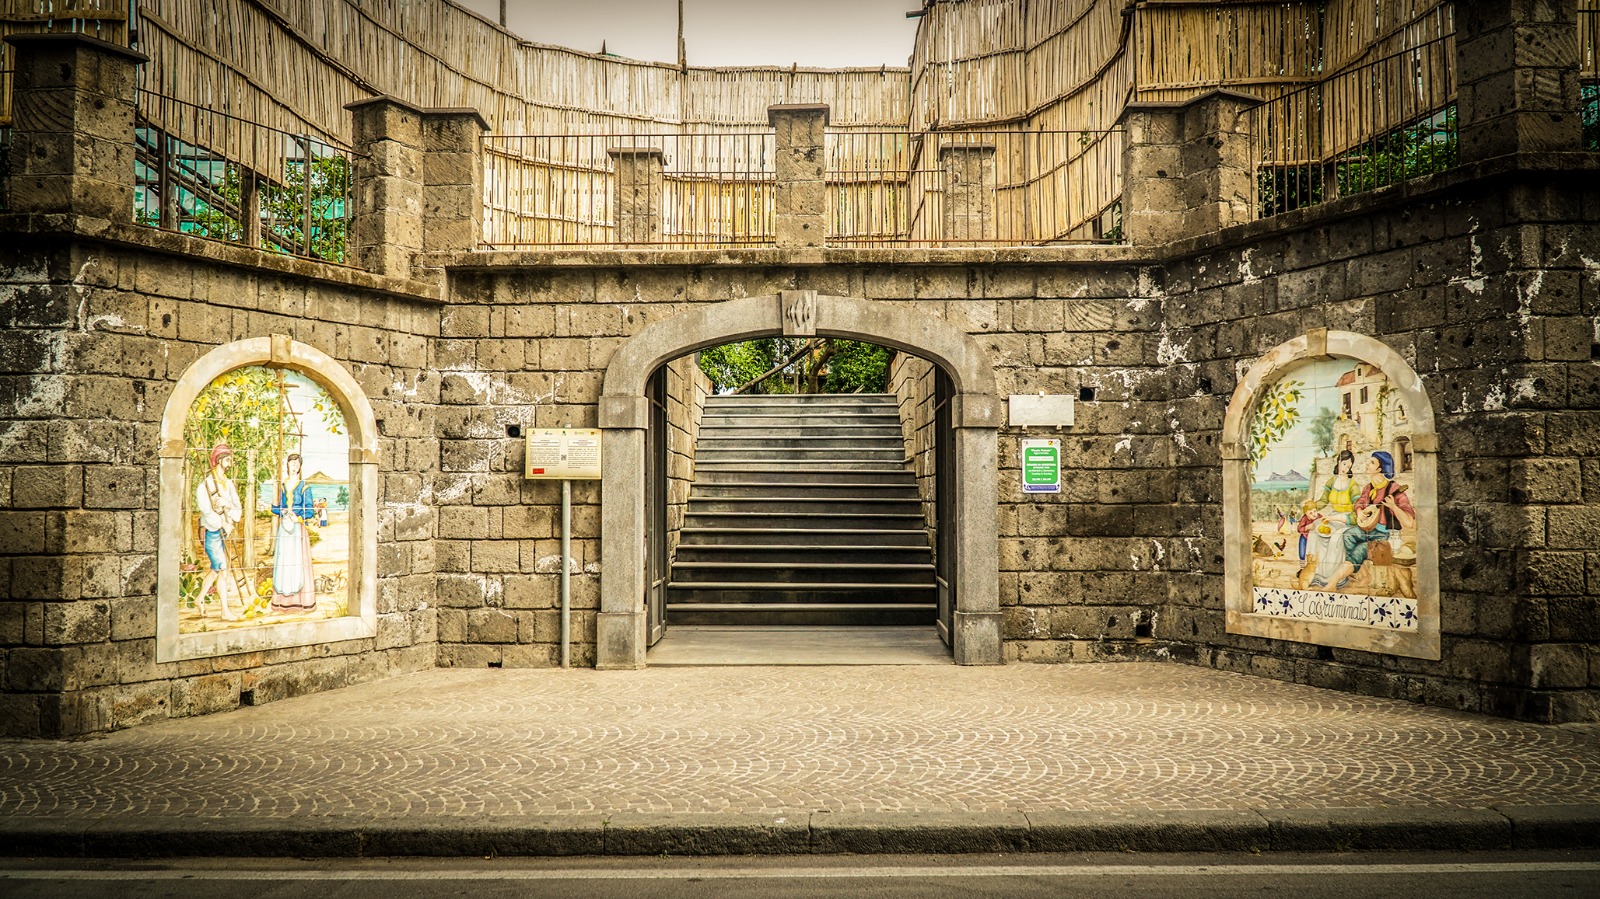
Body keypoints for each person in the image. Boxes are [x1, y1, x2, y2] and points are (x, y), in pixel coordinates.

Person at [1322, 450, 1416, 592]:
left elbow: (1410, 523)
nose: (1367, 464)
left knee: (1360, 550)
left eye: (1372, 462)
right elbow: (1359, 503)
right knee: (1347, 536)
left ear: (1380, 469)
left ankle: (1332, 583)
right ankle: (1364, 575)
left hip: (1385, 535)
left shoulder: (1394, 489)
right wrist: (1360, 512)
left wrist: (1393, 507)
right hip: (1369, 529)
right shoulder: (1369, 487)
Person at [195, 443, 244, 621]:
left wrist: (227, 504)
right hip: (212, 533)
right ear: (219, 460)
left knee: (217, 569)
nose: (230, 463)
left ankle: (199, 599)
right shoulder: (205, 486)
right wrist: (223, 523)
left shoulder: (229, 484)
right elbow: (207, 513)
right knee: (222, 570)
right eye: (228, 459)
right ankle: (225, 611)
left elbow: (238, 510)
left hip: (224, 533)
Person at [1299, 449, 1359, 590]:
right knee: (1314, 531)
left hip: (1345, 520)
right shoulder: (1331, 481)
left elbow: (1357, 511)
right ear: (1339, 462)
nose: (1346, 468)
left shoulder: (1353, 485)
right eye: (1344, 464)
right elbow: (1324, 501)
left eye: (1349, 466)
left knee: (1335, 539)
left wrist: (1339, 518)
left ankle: (1333, 578)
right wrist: (1311, 506)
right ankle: (1316, 575)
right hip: (1332, 516)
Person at [270, 453, 319, 613]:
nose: (294, 467)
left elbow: (310, 511)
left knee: (298, 563)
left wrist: (297, 517)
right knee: (285, 562)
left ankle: (300, 601)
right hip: (284, 529)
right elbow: (277, 508)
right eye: (292, 464)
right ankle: (283, 601)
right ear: (287, 465)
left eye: (297, 465)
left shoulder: (304, 487)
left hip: (297, 528)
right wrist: (278, 510)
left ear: (300, 467)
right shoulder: (283, 486)